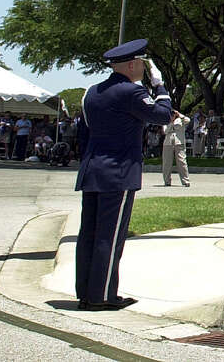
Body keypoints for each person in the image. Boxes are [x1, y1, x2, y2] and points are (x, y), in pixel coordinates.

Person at [74, 39, 172, 311]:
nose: (143, 68)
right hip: (118, 172)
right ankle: (103, 295)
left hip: (93, 168)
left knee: (90, 234)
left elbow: (85, 133)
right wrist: (161, 87)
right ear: (132, 64)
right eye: (142, 63)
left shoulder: (91, 92)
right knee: (110, 236)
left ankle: (86, 291)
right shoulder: (130, 92)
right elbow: (163, 115)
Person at [161, 110, 191, 187]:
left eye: (173, 114)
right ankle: (167, 181)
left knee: (182, 161)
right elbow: (165, 131)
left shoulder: (181, 120)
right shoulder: (166, 121)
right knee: (167, 163)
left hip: (179, 142)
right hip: (168, 143)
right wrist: (171, 123)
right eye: (171, 114)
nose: (173, 115)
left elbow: (188, 120)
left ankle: (186, 181)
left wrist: (179, 114)